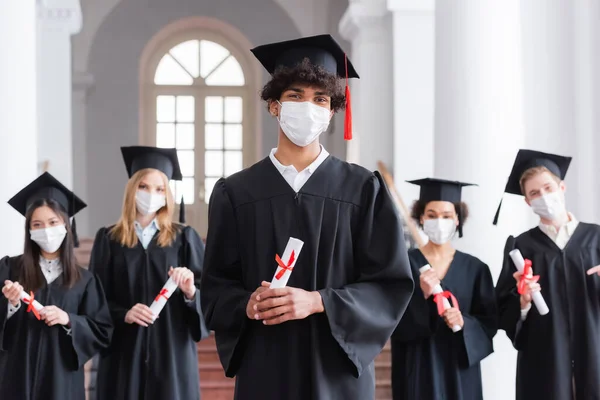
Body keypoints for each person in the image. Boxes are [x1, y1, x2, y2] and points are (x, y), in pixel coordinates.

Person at [200, 34, 414, 400]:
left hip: (336, 371)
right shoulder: (236, 193)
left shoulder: (364, 190)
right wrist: (246, 304)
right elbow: (217, 288)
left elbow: (389, 284)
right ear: (274, 105)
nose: (308, 107)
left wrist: (318, 302)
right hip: (265, 365)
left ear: (331, 112)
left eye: (320, 99)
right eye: (295, 96)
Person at [90, 146, 208, 400]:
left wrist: (189, 292)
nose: (151, 194)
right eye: (143, 186)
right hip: (123, 353)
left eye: (159, 189)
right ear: (132, 189)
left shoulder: (184, 238)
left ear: (167, 195)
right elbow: (94, 300)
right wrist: (124, 313)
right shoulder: (108, 239)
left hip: (171, 353)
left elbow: (207, 300)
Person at [495, 149, 600, 399]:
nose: (543, 196)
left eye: (548, 188)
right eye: (534, 193)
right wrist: (522, 302)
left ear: (561, 188)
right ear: (527, 201)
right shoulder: (520, 247)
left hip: (594, 352)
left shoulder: (596, 238)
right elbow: (502, 310)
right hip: (545, 360)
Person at [0, 172, 113, 400]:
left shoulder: (85, 281)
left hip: (62, 383)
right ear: (29, 230)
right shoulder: (9, 269)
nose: (46, 230)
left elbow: (102, 331)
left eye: (53, 222)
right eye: (37, 224)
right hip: (17, 377)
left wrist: (69, 320)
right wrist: (11, 306)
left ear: (66, 225)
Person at [391, 178, 497, 400]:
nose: (439, 221)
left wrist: (464, 323)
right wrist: (423, 297)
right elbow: (392, 321)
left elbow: (489, 324)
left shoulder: (476, 269)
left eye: (447, 216)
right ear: (421, 217)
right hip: (418, 365)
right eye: (431, 215)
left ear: (457, 219)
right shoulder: (404, 265)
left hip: (460, 370)